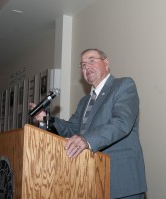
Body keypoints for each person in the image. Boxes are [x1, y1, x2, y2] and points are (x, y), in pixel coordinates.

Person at [30, 48, 147, 199]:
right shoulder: (85, 101)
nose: (87, 67)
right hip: (90, 180)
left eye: (92, 60)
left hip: (121, 180)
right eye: (83, 65)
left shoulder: (123, 85)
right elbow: (72, 129)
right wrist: (47, 118)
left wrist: (87, 140)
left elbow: (121, 123)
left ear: (106, 62)